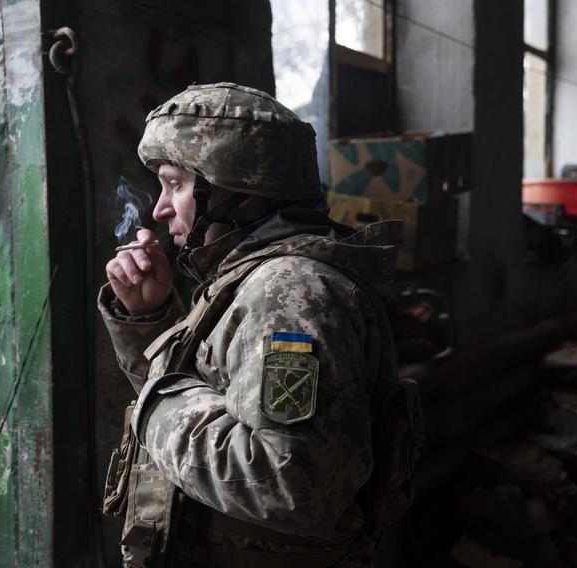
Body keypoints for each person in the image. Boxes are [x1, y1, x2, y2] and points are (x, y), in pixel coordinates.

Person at [99, 83, 422, 568]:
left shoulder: (290, 292)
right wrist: (149, 317)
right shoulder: (249, 279)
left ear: (237, 193)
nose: (160, 209)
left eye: (177, 185)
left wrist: (157, 401)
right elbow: (207, 399)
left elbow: (288, 482)